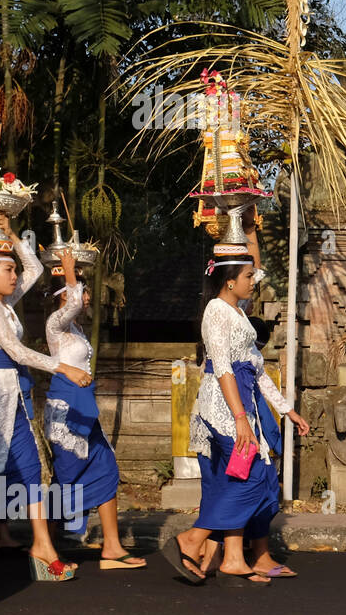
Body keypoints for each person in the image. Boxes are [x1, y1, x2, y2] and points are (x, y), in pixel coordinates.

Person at [162, 238, 310, 586]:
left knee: (243, 476)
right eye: (247, 275)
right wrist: (240, 419)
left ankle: (226, 556)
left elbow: (256, 370)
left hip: (242, 405)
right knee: (253, 476)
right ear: (230, 280)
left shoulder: (238, 312)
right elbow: (224, 368)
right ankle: (193, 539)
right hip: (223, 408)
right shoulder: (216, 311)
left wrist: (287, 410)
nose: (253, 280)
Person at [0, 214, 91, 581]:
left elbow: (33, 266)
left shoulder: (6, 302)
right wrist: (63, 367)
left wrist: (8, 231)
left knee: (30, 468)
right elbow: (17, 351)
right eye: (6, 269)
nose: (14, 275)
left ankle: (42, 546)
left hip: (11, 392)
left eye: (13, 271)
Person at [44, 249, 144, 568]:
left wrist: (73, 273)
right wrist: (71, 271)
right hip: (66, 408)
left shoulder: (76, 329)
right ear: (65, 295)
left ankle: (112, 547)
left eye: (85, 292)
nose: (86, 298)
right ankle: (44, 548)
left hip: (85, 407)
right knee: (67, 476)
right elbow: (73, 304)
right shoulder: (55, 324)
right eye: (83, 292)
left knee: (106, 467)